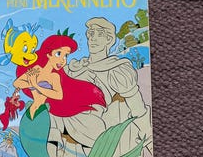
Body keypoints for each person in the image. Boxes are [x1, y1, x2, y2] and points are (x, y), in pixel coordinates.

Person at [62, 17, 152, 156]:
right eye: (91, 34)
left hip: (105, 136)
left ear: (109, 40)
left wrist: (148, 138)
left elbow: (137, 107)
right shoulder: (75, 69)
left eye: (99, 34)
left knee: (121, 104)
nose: (93, 38)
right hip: (74, 133)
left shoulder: (117, 70)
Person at [13, 34, 105, 157]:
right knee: (31, 144)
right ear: (48, 54)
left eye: (66, 56)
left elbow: (58, 95)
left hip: (45, 113)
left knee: (49, 142)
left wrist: (35, 85)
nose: (62, 60)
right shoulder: (36, 69)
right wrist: (31, 82)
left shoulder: (54, 77)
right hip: (31, 113)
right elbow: (17, 83)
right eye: (58, 54)